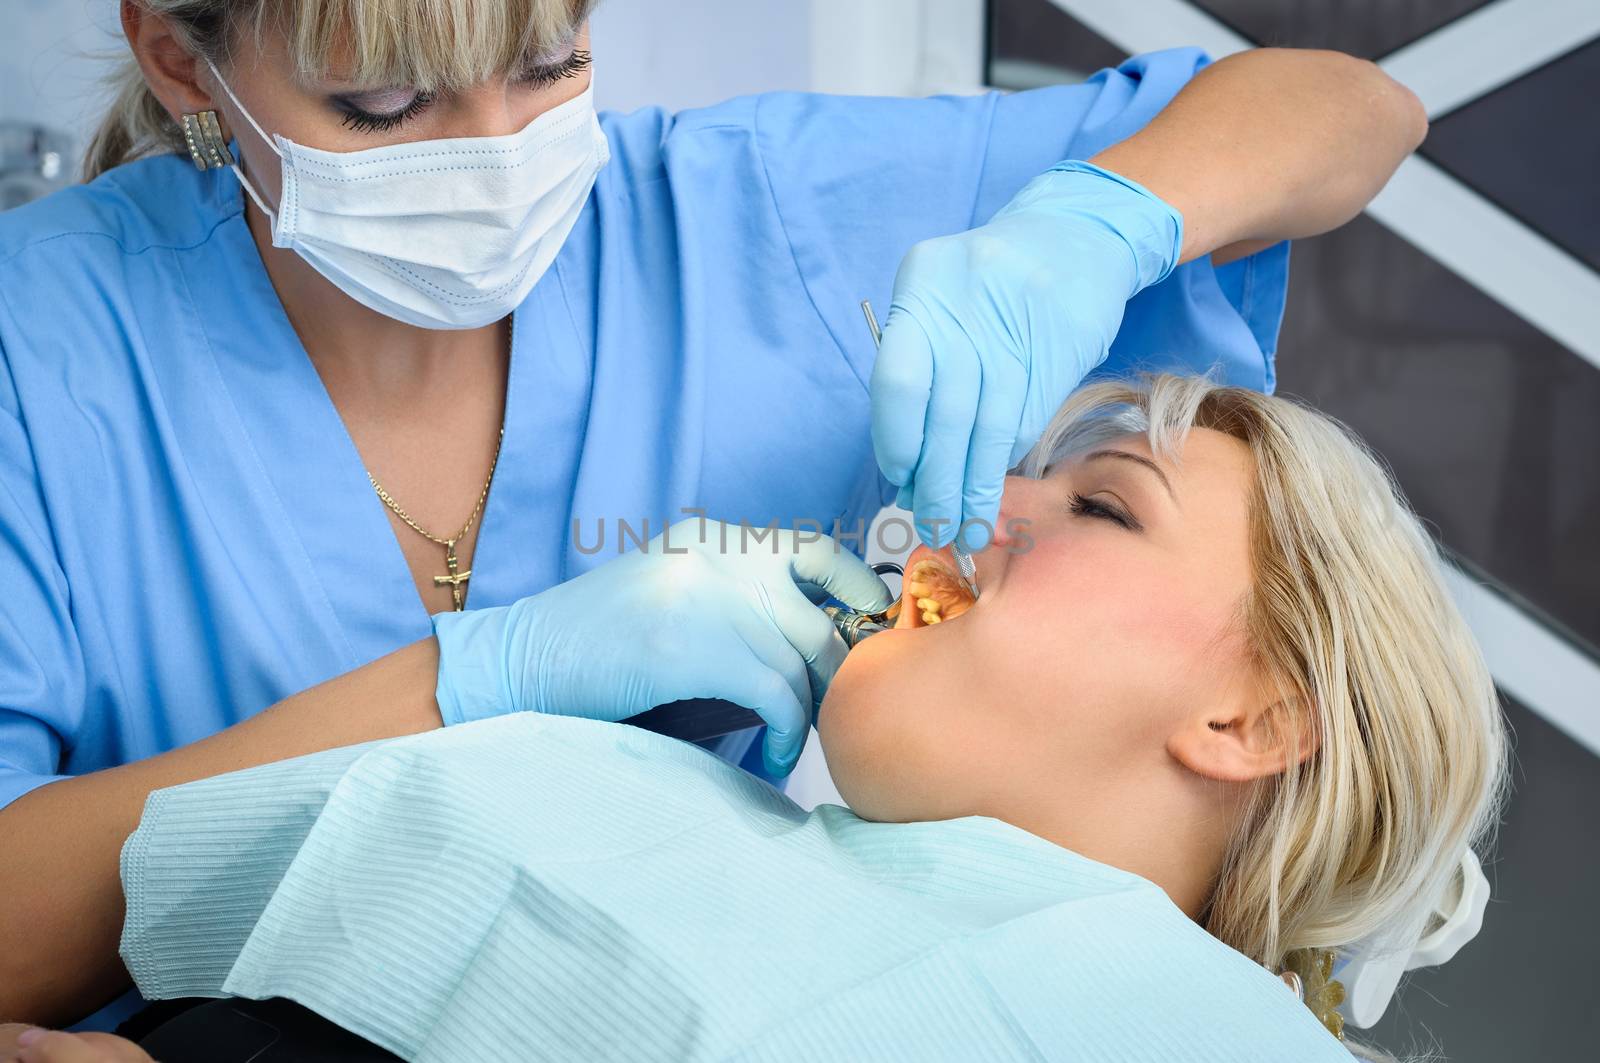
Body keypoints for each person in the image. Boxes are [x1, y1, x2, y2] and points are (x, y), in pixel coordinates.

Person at [0, 0, 1430, 1031]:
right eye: (383, 107)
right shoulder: (42, 349)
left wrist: (1098, 223)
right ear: (185, 56)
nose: (495, 150)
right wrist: (472, 680)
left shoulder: (756, 213)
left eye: (549, 63)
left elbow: (1351, 109)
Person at [1, 374, 1507, 1061]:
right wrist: (479, 673)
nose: (978, 509)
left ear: (1255, 717)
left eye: (1101, 504)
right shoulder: (628, 787)